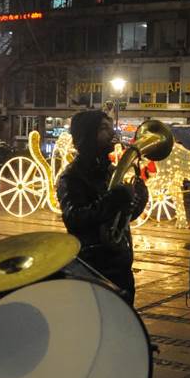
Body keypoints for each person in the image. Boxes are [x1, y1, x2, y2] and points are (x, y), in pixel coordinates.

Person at [57, 110, 148, 304]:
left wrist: (138, 197)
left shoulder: (109, 171)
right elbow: (74, 218)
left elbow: (122, 218)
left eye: (110, 127)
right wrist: (113, 199)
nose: (111, 133)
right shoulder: (72, 176)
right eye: (103, 128)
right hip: (93, 268)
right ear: (88, 135)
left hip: (120, 265)